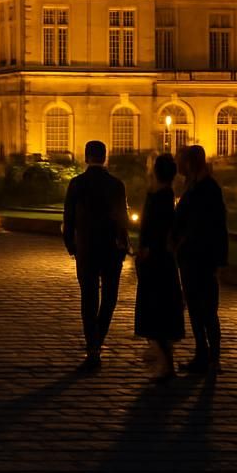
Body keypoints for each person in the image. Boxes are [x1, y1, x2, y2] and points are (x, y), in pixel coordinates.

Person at [62, 140, 130, 371]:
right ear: (105, 156)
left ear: (86, 156)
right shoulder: (116, 184)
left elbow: (68, 217)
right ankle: (98, 340)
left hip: (88, 248)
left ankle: (93, 346)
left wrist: (70, 244)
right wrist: (124, 243)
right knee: (109, 297)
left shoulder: (77, 184)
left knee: (89, 298)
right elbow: (123, 218)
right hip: (111, 248)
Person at [174, 144, 228, 374]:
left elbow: (215, 226)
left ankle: (213, 358)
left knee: (207, 310)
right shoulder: (193, 185)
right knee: (196, 308)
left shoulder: (207, 188)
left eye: (180, 160)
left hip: (202, 256)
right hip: (190, 255)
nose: (177, 164)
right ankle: (202, 354)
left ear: (189, 163)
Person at [134, 153, 185, 382]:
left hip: (157, 261)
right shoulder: (160, 194)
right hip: (157, 258)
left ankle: (166, 363)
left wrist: (147, 249)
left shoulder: (161, 196)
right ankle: (162, 356)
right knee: (157, 309)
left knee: (157, 310)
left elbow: (158, 228)